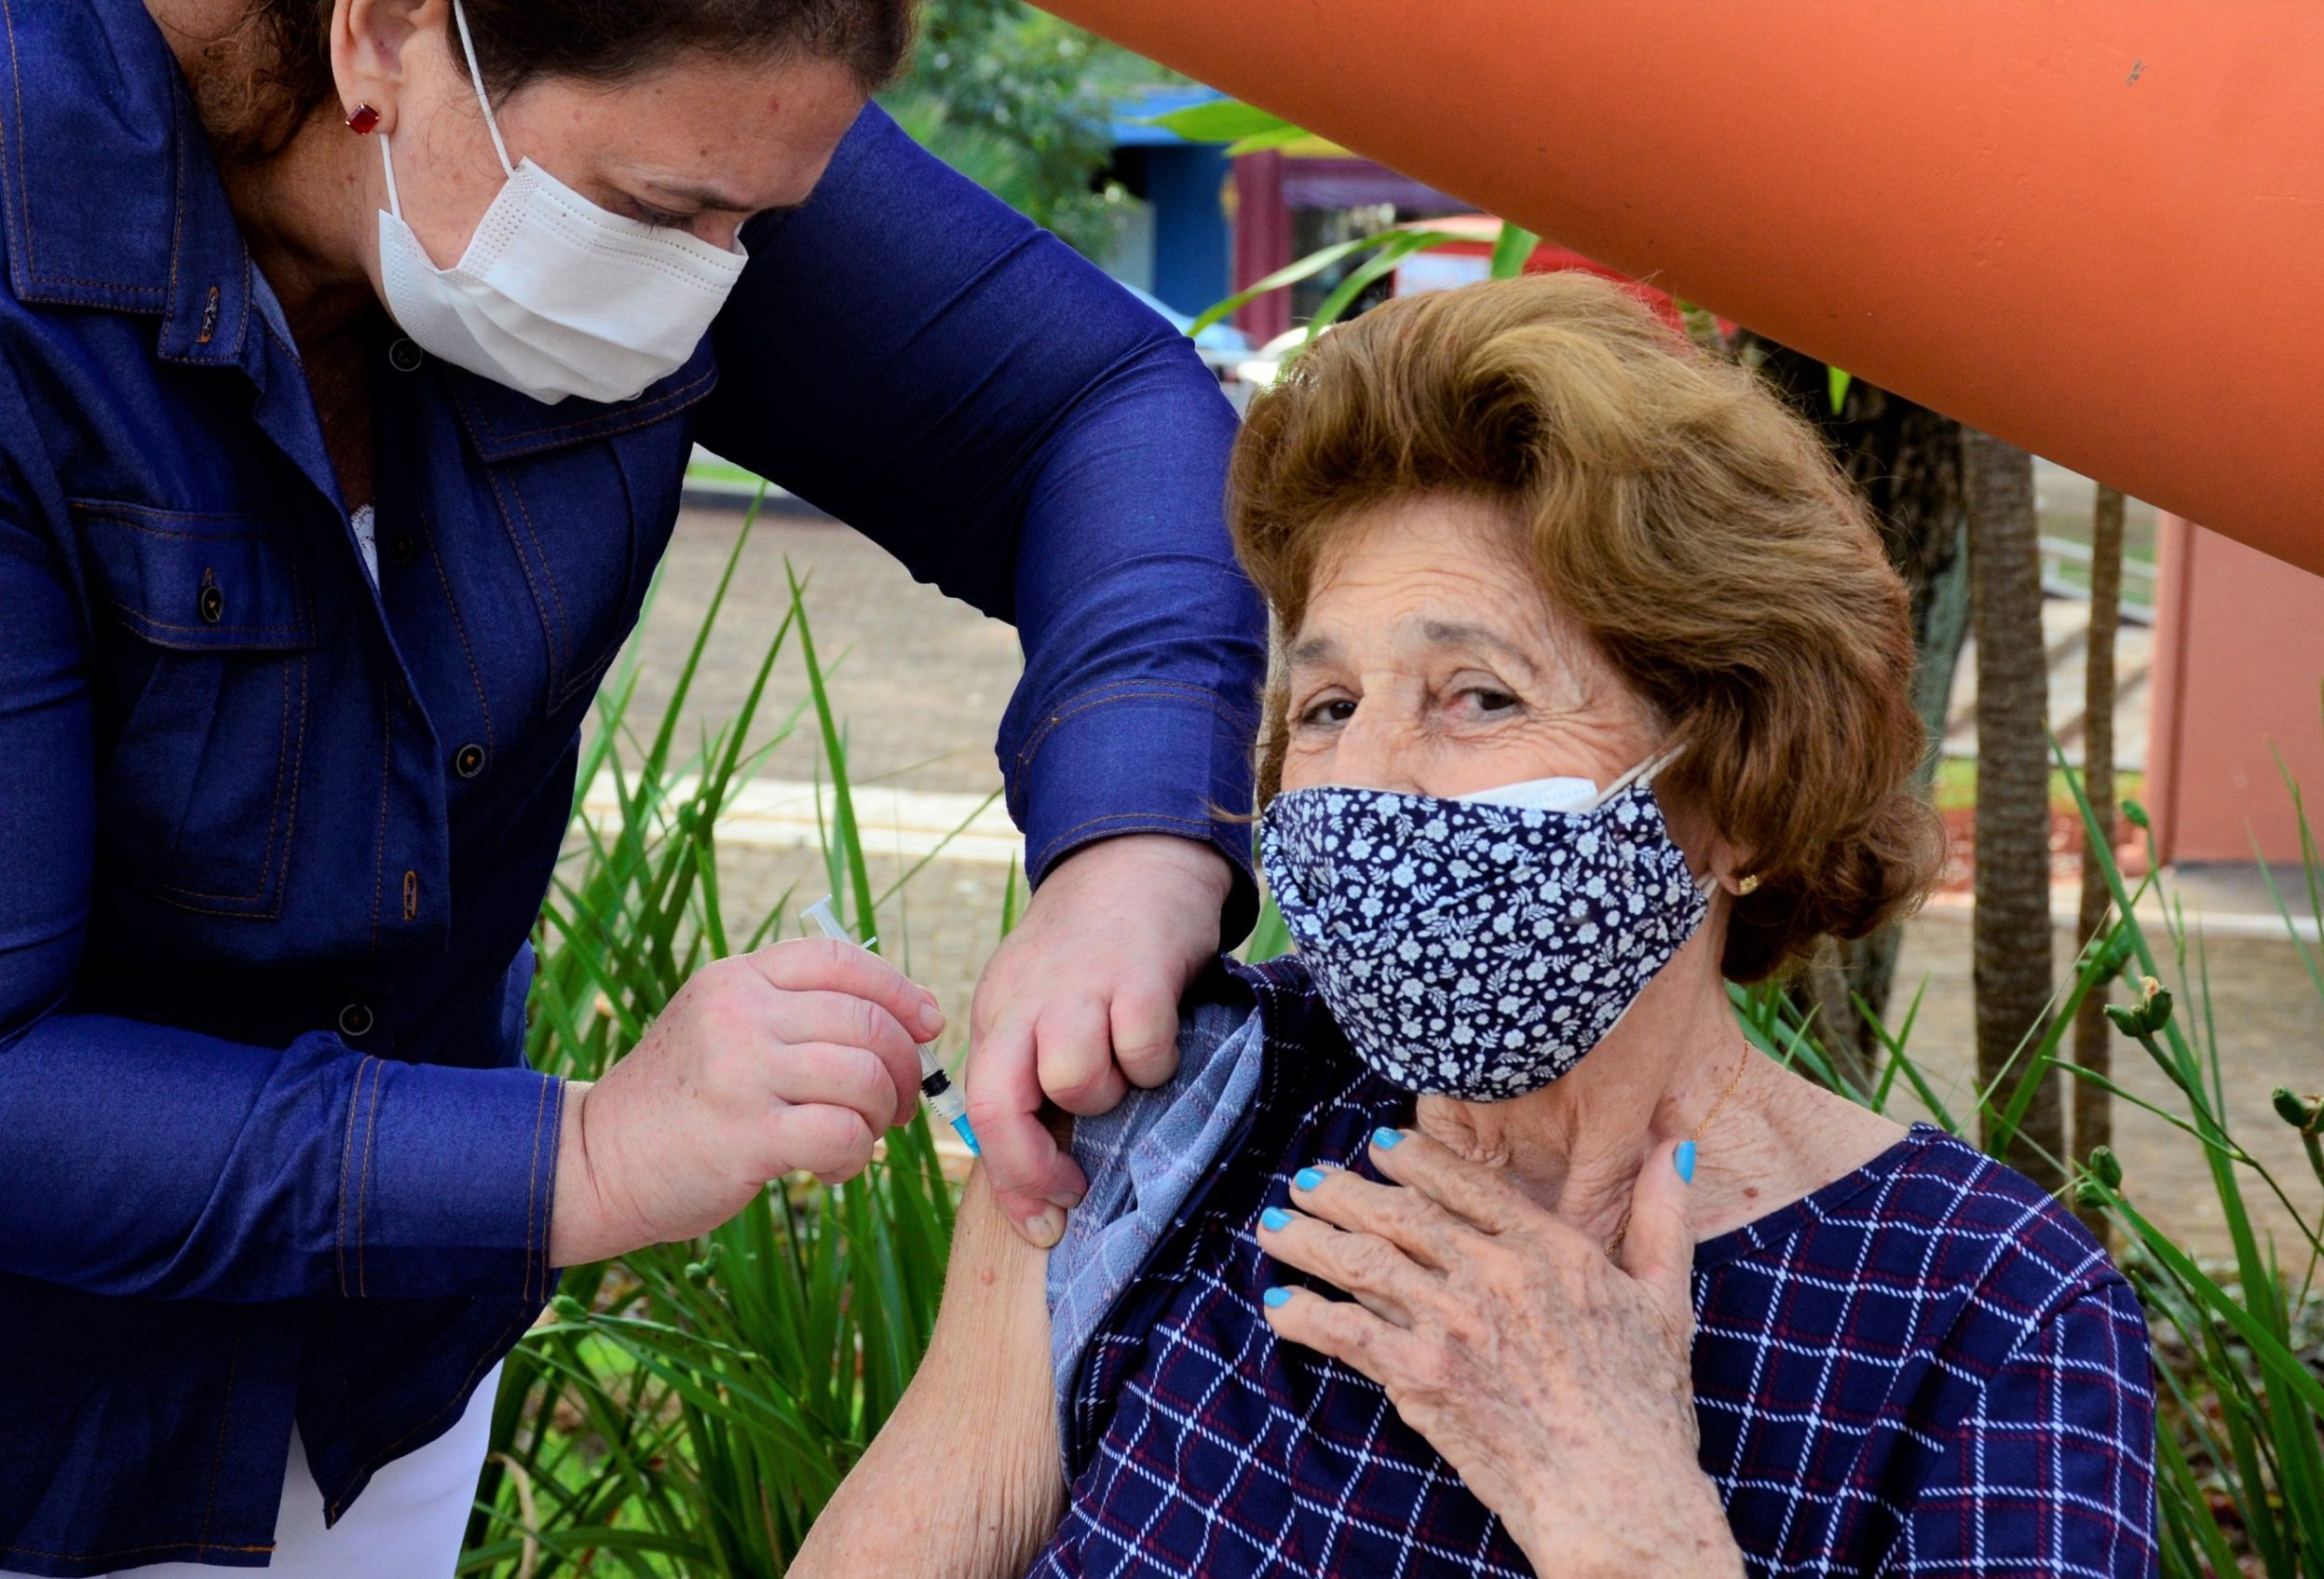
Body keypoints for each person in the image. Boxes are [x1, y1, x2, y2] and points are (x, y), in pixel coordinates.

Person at [0, 0, 1266, 1573]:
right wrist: (583, 1157)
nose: (713, 278)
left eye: (758, 222)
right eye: (661, 217)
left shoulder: (681, 110)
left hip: (376, 1381)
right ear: (383, 36)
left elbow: (1098, 407)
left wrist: (1134, 856)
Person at [794, 275, 2160, 1577]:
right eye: (1327, 709)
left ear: (1736, 784)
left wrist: (1631, 1529)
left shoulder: (1986, 1316)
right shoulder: (1182, 1108)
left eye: (1478, 697)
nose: (1368, 779)